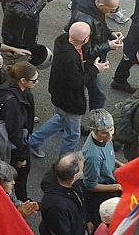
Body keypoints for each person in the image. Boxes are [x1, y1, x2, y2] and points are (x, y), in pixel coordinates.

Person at [28, 22, 120, 158]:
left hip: (58, 95)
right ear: (85, 39)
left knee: (59, 119)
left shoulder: (62, 40)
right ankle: (65, 164)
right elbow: (77, 82)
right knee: (72, 135)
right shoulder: (70, 58)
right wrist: (95, 69)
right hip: (70, 101)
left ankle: (33, 141)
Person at [0, 61, 40, 201]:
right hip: (15, 147)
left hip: (15, 142)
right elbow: (15, 132)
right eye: (34, 80)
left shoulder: (10, 90)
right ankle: (20, 201)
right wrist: (21, 156)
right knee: (19, 176)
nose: (36, 82)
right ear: (22, 80)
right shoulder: (14, 103)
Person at [38, 152, 88, 235]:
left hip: (77, 227)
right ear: (74, 177)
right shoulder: (57, 207)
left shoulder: (66, 181)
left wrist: (86, 220)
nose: (83, 171)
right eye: (82, 169)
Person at [80, 109, 120, 226]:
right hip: (102, 192)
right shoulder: (93, 156)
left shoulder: (104, 138)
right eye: (104, 132)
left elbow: (109, 155)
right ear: (94, 131)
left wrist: (120, 164)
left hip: (110, 181)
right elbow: (91, 186)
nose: (110, 135)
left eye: (111, 130)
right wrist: (117, 187)